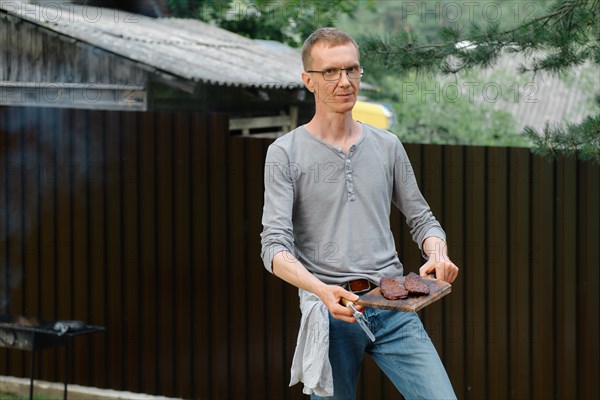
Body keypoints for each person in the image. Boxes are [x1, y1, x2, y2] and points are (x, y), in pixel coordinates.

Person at [260, 27, 459, 399]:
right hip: (331, 312)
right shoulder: (284, 153)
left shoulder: (387, 145)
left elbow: (422, 219)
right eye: (331, 72)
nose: (344, 81)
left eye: (352, 69)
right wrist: (321, 290)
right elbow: (273, 248)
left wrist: (437, 252)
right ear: (308, 81)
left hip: (394, 305)